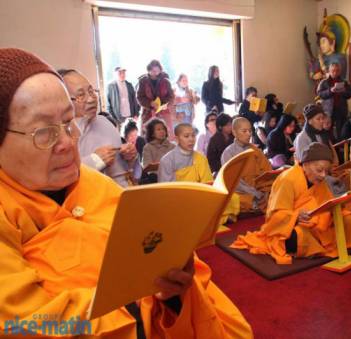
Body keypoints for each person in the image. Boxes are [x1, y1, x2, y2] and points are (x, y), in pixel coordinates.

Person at [0, 47, 252, 338]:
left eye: (69, 122)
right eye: (44, 132)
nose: (69, 142)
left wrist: (171, 292)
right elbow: (21, 324)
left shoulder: (95, 183)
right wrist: (134, 311)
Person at [231, 142, 351, 264]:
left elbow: (327, 203)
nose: (323, 175)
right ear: (305, 164)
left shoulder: (318, 180)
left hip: (317, 224)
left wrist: (338, 206)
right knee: (297, 236)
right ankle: (317, 246)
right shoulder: (288, 180)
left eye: (326, 171)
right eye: (319, 170)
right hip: (293, 226)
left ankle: (326, 244)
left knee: (348, 218)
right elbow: (275, 216)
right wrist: (296, 216)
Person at [58, 69, 139, 188]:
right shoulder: (61, 134)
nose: (91, 99)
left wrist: (130, 157)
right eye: (81, 95)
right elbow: (60, 178)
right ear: (64, 101)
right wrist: (95, 161)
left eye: (91, 91)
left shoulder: (104, 122)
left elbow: (130, 172)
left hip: (127, 192)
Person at [221, 117, 273, 213]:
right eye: (244, 131)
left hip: (261, 192)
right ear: (234, 132)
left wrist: (265, 192)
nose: (248, 134)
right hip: (242, 193)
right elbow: (233, 181)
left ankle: (259, 204)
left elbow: (267, 171)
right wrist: (255, 194)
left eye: (250, 131)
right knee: (231, 200)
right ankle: (255, 205)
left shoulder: (255, 150)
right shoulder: (228, 153)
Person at [317, 63, 351, 142]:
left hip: (341, 109)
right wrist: (330, 90)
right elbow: (320, 94)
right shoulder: (324, 82)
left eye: (337, 71)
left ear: (339, 71)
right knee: (327, 129)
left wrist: (344, 91)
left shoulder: (344, 82)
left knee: (341, 130)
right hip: (328, 110)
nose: (335, 73)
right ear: (329, 71)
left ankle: (339, 147)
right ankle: (329, 146)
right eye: (333, 71)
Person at [136, 59, 174, 128]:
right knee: (148, 135)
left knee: (164, 134)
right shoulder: (142, 81)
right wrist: (150, 103)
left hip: (164, 113)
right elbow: (139, 97)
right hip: (147, 113)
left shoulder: (166, 80)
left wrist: (164, 104)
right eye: (153, 71)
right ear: (149, 70)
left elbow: (171, 97)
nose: (156, 73)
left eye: (157, 71)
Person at [141, 118, 175, 182]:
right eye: (158, 129)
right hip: (155, 178)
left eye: (163, 129)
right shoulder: (148, 147)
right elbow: (147, 167)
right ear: (152, 133)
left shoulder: (173, 146)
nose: (162, 131)